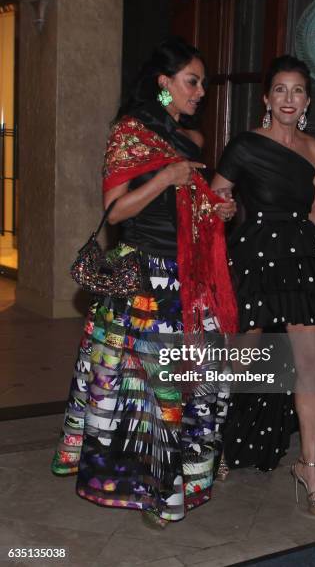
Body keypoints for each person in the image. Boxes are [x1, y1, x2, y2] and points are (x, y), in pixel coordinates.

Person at [51, 37, 237, 527]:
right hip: (144, 280)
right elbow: (114, 209)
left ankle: (173, 486)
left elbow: (188, 208)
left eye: (202, 83)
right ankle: (144, 490)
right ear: (163, 83)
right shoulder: (129, 133)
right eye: (192, 81)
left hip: (187, 280)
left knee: (186, 389)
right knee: (145, 395)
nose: (200, 92)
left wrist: (217, 209)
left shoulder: (190, 141)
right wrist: (166, 177)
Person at [211, 54, 315, 516]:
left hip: (301, 260)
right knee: (241, 362)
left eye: (297, 91)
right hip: (255, 258)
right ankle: (214, 444)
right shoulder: (244, 146)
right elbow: (216, 195)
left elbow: (312, 209)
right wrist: (223, 209)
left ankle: (309, 466)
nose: (289, 99)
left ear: (307, 100)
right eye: (280, 90)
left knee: (309, 367)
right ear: (266, 98)